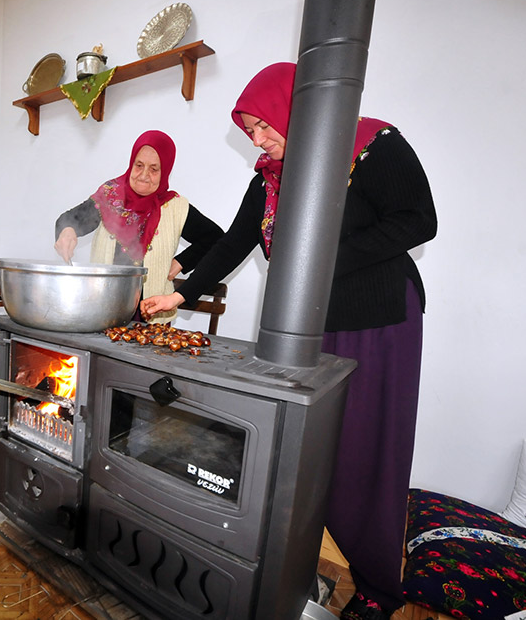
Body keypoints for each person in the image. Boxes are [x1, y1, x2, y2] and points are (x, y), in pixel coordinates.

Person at [140, 62, 437, 620]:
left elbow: (418, 220)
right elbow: (233, 243)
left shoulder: (371, 144)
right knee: (299, 449)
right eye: (248, 129)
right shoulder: (269, 179)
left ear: (294, 104)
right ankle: (289, 565)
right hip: (305, 321)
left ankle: (377, 589)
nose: (257, 138)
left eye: (261, 125)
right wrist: (180, 295)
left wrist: (318, 263)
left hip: (377, 319)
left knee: (366, 450)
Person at [53, 130, 224, 324]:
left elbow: (215, 238)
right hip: (102, 310)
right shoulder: (109, 196)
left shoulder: (175, 207)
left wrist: (181, 262)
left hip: (151, 316)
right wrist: (67, 231)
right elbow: (70, 219)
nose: (144, 175)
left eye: (154, 169)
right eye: (139, 165)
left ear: (165, 170)